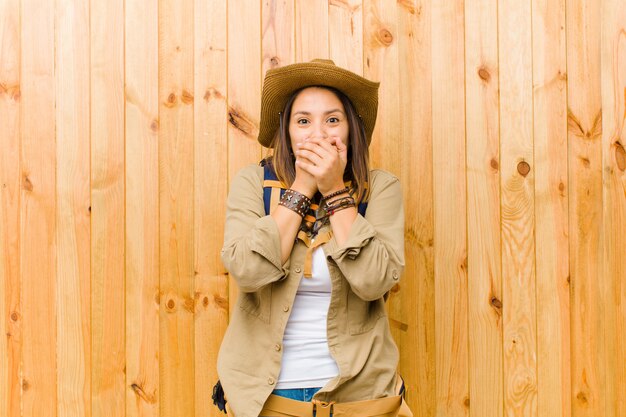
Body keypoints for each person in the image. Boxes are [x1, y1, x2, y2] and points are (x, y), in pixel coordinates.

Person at [215, 59, 412, 417]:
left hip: (361, 397)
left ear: (351, 130)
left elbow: (375, 281)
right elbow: (246, 271)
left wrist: (335, 190)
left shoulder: (379, 188)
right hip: (266, 398)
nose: (318, 134)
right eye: (303, 121)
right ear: (287, 132)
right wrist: (303, 188)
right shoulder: (252, 184)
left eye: (332, 120)